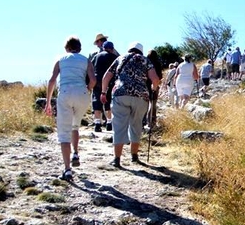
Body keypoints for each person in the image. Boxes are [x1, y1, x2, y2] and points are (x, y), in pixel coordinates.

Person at [45, 36, 97, 181]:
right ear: (79, 48)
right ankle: (75, 153)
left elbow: (52, 80)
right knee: (75, 125)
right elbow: (93, 80)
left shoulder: (60, 60)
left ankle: (67, 170)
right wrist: (88, 89)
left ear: (66, 48)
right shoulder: (86, 60)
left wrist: (48, 102)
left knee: (64, 133)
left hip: (66, 93)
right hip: (82, 94)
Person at [100, 42, 160, 168]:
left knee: (119, 125)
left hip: (120, 94)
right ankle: (134, 156)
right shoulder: (146, 60)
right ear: (141, 51)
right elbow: (155, 79)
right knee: (136, 124)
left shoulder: (120, 58)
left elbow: (106, 77)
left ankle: (117, 159)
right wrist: (153, 90)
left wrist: (103, 92)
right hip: (141, 96)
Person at [91, 41, 118, 132]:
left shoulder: (97, 56)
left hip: (97, 82)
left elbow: (91, 68)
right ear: (112, 48)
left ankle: (97, 123)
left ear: (103, 47)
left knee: (97, 102)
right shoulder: (115, 58)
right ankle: (109, 122)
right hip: (110, 83)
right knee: (108, 102)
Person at [146, 49, 163, 127]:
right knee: (153, 103)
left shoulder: (145, 62)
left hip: (145, 85)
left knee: (145, 103)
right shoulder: (158, 63)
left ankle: (144, 120)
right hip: (154, 84)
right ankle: (152, 121)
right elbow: (160, 76)